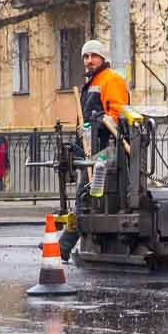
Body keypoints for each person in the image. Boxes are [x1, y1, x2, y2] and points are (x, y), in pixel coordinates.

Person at [58, 39, 130, 260]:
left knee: (87, 198)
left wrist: (99, 123)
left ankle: (64, 246)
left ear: (102, 58)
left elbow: (117, 115)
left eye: (93, 56)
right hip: (92, 149)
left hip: (105, 150)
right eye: (86, 57)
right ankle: (66, 245)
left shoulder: (111, 80)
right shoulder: (93, 82)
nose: (89, 61)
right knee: (86, 198)